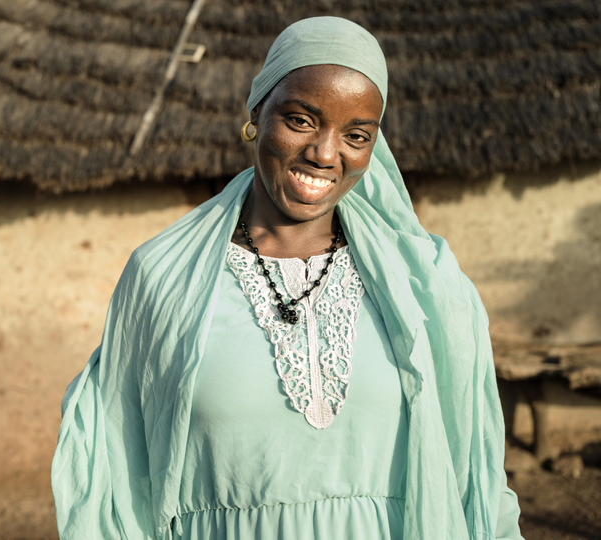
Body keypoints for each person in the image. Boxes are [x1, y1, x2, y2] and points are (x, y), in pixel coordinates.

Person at [51, 17, 524, 540]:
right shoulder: (163, 278)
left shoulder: (426, 283)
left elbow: (475, 472)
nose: (325, 153)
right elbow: (115, 470)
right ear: (257, 114)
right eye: (300, 120)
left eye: (356, 134)